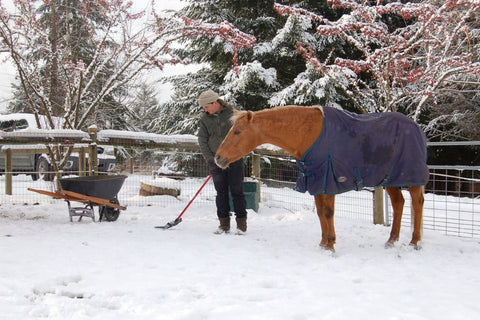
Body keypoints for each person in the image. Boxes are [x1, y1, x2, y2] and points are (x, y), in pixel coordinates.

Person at [197, 89, 248, 234]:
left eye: (206, 106)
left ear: (215, 103)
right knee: (221, 193)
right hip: (216, 161)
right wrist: (209, 158)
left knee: (237, 191)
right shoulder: (205, 119)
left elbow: (243, 134)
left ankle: (241, 225)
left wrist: (238, 153)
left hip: (234, 160)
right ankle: (224, 224)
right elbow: (202, 139)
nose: (205, 110)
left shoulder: (233, 113)